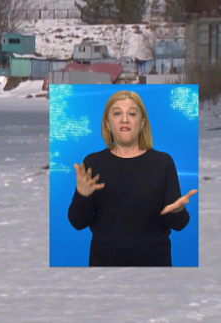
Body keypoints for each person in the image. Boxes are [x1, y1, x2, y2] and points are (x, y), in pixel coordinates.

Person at [68, 90, 197, 266]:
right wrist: (82, 195)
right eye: (117, 113)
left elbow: (180, 224)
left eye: (132, 113)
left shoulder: (162, 163)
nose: (125, 119)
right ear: (107, 124)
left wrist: (177, 212)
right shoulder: (93, 163)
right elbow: (77, 223)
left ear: (142, 123)